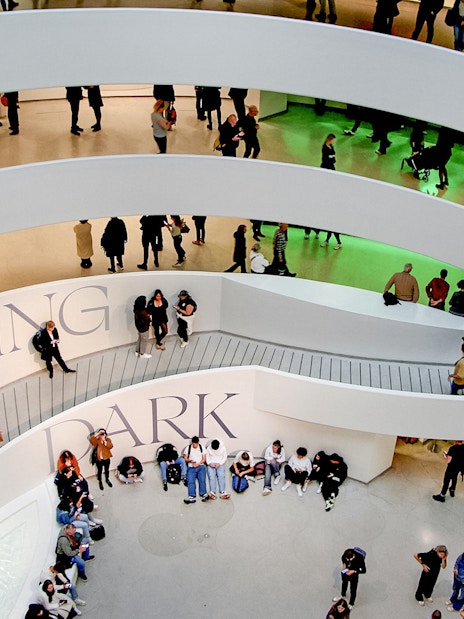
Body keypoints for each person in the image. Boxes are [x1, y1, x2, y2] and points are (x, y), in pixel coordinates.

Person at [183, 436, 209, 504]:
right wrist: (190, 461)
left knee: (202, 480)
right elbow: (185, 458)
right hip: (191, 467)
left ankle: (203, 494)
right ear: (192, 443)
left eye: (196, 444)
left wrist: (198, 464)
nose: (195, 445)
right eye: (194, 444)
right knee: (190, 481)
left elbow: (204, 459)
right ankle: (191, 496)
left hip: (200, 467)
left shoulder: (201, 447)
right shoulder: (188, 448)